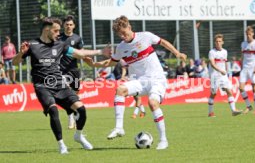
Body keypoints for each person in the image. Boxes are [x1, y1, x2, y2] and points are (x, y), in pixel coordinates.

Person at [84, 15, 187, 150]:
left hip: (157, 79)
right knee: (120, 89)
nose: (122, 36)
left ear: (129, 26)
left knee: (152, 103)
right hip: (140, 81)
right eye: (119, 34)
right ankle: (119, 128)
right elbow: (111, 62)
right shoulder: (121, 47)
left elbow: (163, 42)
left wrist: (177, 53)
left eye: (123, 32)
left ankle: (163, 140)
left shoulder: (145, 36)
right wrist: (94, 64)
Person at [12, 17, 109, 154]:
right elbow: (15, 63)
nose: (59, 33)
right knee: (53, 111)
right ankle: (61, 144)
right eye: (56, 30)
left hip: (60, 84)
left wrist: (100, 52)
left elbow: (79, 53)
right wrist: (21, 53)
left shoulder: (60, 44)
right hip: (42, 86)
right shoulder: (32, 45)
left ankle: (78, 135)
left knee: (81, 110)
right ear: (47, 29)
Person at [59, 15, 85, 129]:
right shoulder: (58, 38)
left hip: (74, 69)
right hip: (62, 70)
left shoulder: (77, 38)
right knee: (67, 92)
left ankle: (74, 112)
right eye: (66, 24)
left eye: (70, 24)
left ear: (74, 26)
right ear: (63, 25)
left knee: (75, 93)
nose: (68, 26)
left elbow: (82, 52)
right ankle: (70, 115)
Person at [208, 34, 242, 117]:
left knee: (229, 91)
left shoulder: (225, 51)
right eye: (216, 41)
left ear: (222, 42)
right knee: (213, 93)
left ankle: (233, 110)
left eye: (220, 41)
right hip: (214, 75)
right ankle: (210, 112)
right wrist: (220, 71)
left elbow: (225, 62)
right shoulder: (211, 52)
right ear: (214, 43)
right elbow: (212, 64)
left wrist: (227, 72)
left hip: (223, 75)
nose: (218, 43)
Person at [240, 26, 255, 115]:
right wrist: (241, 66)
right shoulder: (243, 44)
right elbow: (242, 56)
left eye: (250, 34)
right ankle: (249, 106)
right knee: (241, 88)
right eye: (247, 34)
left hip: (254, 68)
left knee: (254, 88)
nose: (248, 36)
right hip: (245, 68)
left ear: (252, 34)